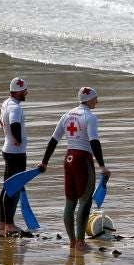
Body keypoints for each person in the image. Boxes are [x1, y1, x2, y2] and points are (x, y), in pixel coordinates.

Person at [39, 86, 111, 253]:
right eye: (95, 99)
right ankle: (80, 242)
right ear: (89, 99)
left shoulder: (67, 115)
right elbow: (94, 142)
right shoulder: (90, 117)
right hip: (82, 160)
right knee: (85, 202)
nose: (97, 101)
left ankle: (72, 242)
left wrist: (44, 162)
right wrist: (102, 166)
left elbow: (53, 140)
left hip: (68, 159)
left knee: (69, 202)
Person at [0, 77, 29, 234]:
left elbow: (1, 122)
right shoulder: (15, 108)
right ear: (17, 91)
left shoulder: (6, 103)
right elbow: (14, 123)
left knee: (6, 187)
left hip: (8, 149)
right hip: (15, 153)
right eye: (24, 91)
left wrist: (9, 137)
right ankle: (9, 224)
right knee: (13, 188)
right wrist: (18, 139)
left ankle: (3, 223)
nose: (26, 93)